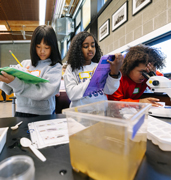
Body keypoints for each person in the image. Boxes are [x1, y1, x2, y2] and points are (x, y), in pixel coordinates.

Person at [0, 25, 62, 117]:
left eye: (46, 47)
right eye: (38, 46)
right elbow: (6, 88)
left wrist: (16, 82)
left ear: (53, 47)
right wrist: (6, 79)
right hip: (21, 110)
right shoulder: (24, 64)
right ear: (33, 46)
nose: (42, 51)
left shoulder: (54, 67)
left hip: (44, 114)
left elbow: (44, 92)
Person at [63, 31, 123, 107]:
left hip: (100, 111)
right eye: (86, 46)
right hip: (80, 113)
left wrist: (114, 73)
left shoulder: (99, 66)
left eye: (93, 45)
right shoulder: (71, 68)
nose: (90, 49)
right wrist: (92, 79)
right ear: (78, 49)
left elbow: (109, 90)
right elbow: (72, 94)